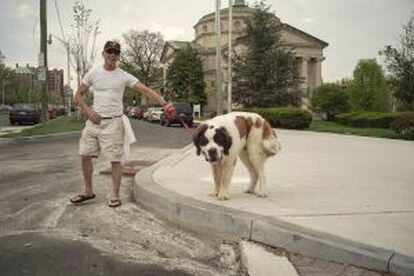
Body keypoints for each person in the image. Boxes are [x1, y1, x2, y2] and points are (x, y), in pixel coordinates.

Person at [70, 40, 176, 208]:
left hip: (113, 123)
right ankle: (88, 191)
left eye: (116, 52)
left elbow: (145, 90)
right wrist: (88, 111)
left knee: (115, 160)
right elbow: (78, 95)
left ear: (118, 56)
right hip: (93, 122)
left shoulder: (124, 76)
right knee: (84, 155)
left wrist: (164, 103)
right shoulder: (93, 73)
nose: (112, 55)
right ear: (103, 54)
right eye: (109, 51)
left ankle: (115, 193)